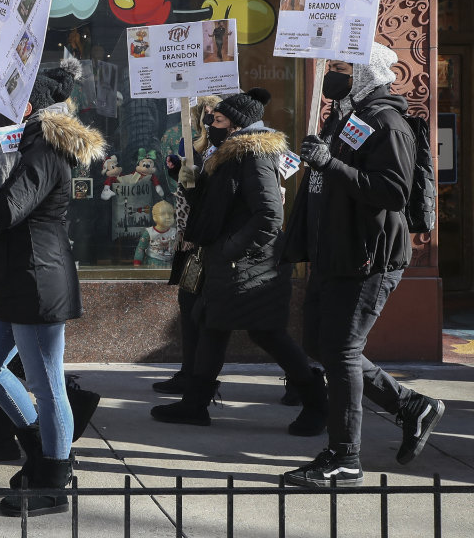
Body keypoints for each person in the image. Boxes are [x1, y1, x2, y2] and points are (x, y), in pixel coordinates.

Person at [282, 44, 445, 488]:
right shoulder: (348, 118)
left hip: (367, 258)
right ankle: (410, 406)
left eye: (339, 68)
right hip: (334, 253)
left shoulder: (388, 123)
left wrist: (329, 162)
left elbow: (391, 191)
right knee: (321, 344)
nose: (331, 76)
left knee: (341, 351)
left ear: (365, 73)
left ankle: (344, 457)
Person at [0, 59, 107, 517]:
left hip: (38, 282)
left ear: (28, 105)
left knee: (46, 383)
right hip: (14, 280)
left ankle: (54, 480)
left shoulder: (46, 150)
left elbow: (7, 209)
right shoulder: (29, 143)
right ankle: (43, 448)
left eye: (8, 99)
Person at [150, 88, 327, 438]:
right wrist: (182, 178)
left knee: (267, 333)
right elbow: (217, 202)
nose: (209, 124)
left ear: (235, 124)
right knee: (212, 325)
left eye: (216, 120)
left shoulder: (255, 155)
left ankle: (317, 403)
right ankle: (195, 405)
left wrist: (230, 249)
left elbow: (268, 214)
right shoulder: (231, 154)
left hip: (249, 266)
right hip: (232, 264)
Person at [153, 96, 220, 395]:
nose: (207, 119)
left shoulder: (225, 150)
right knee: (188, 304)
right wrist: (177, 173)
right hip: (189, 236)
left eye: (213, 114)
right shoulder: (196, 145)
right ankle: (189, 373)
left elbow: (211, 195)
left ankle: (197, 379)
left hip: (204, 240)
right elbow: (190, 188)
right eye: (204, 113)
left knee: (200, 311)